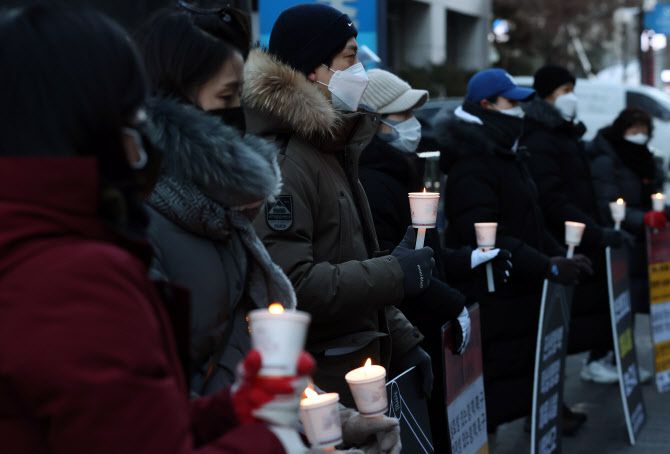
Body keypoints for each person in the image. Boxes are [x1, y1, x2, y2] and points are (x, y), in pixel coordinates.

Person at [0, 4, 314, 453]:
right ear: (88, 118)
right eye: (132, 112)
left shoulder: (40, 239)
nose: (142, 131)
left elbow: (123, 420)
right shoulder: (75, 276)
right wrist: (274, 438)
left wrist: (230, 411)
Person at [138, 5, 401, 452]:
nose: (238, 116)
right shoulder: (146, 228)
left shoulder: (227, 212)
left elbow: (257, 365)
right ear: (174, 105)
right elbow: (148, 412)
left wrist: (331, 422)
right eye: (226, 98)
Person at [244, 3, 434, 405]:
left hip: (351, 371)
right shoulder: (287, 161)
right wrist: (394, 272)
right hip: (320, 387)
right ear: (314, 69)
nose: (359, 71)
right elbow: (291, 285)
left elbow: (352, 258)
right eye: (350, 57)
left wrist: (403, 340)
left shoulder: (328, 148)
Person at [359, 68, 515, 450]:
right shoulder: (373, 182)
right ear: (373, 122)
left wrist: (468, 260)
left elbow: (427, 252)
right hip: (407, 333)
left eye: (414, 113)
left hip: (425, 327)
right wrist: (452, 301)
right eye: (402, 114)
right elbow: (392, 265)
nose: (413, 124)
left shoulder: (400, 170)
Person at [434, 68, 593, 436]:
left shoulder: (507, 154)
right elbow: (489, 234)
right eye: (511, 103)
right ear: (486, 105)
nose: (520, 112)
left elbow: (529, 220)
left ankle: (543, 415)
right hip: (496, 291)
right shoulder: (472, 163)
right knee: (494, 383)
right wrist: (546, 265)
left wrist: (558, 255)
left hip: (519, 288)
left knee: (523, 367)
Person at [522, 65, 625, 385]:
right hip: (563, 238)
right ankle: (575, 374)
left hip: (580, 231)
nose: (572, 97)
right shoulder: (541, 137)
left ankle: (600, 357)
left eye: (572, 90)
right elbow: (552, 198)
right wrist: (593, 231)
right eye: (564, 91)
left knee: (591, 305)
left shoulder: (565, 133)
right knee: (566, 315)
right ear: (546, 95)